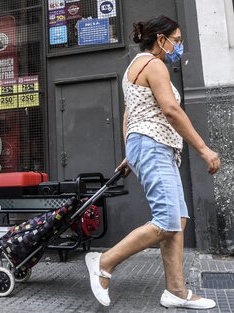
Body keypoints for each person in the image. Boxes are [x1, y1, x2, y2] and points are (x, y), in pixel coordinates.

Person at [85, 16, 221, 309]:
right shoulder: (154, 65)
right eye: (178, 39)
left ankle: (175, 291)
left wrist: (130, 150)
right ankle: (103, 263)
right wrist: (204, 149)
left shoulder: (134, 68)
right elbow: (171, 110)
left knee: (178, 220)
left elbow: (128, 114)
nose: (180, 46)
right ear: (162, 39)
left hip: (151, 146)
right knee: (166, 222)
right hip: (154, 146)